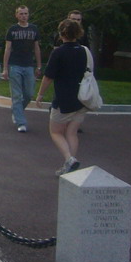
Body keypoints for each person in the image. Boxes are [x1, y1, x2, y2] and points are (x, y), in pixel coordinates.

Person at [35, 18, 89, 175]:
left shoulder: (58, 52)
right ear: (78, 33)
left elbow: (48, 76)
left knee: (56, 132)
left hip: (63, 99)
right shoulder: (84, 51)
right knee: (72, 132)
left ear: (61, 34)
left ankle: (69, 159)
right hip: (81, 98)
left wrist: (40, 94)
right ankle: (70, 163)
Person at [1, 5, 42, 133]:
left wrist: (39, 65)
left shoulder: (34, 29)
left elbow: (36, 48)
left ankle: (16, 110)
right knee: (17, 95)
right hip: (15, 65)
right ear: (17, 15)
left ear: (28, 15)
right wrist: (5, 68)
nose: (24, 16)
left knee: (29, 93)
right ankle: (21, 122)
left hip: (29, 65)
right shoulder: (12, 30)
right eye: (21, 14)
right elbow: (8, 49)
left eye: (25, 13)